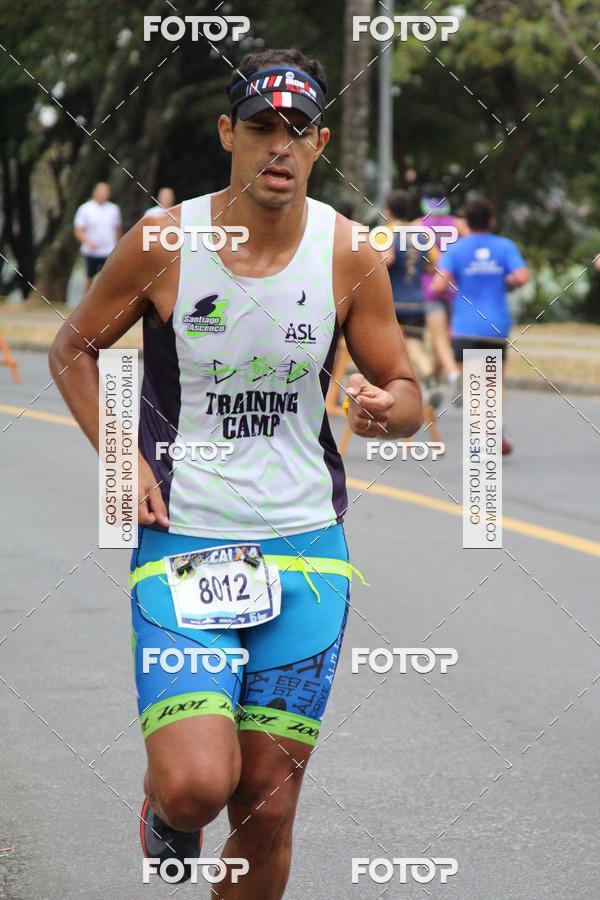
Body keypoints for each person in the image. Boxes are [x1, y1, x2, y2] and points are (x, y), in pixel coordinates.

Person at [49, 47, 423, 898]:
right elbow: (73, 348)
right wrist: (121, 455)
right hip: (187, 545)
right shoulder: (164, 244)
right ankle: (164, 809)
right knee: (196, 788)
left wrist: (382, 407)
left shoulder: (348, 253)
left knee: (267, 805)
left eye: (297, 131)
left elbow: (409, 395)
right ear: (229, 133)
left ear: (321, 143)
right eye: (261, 128)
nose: (278, 147)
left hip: (307, 556)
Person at [432, 195, 529, 455]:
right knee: (493, 382)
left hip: (465, 324)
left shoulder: (456, 249)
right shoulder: (505, 246)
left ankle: (480, 437)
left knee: (473, 381)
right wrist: (503, 282)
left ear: (466, 222)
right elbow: (521, 277)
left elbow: (439, 285)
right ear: (492, 220)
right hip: (496, 324)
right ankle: (496, 429)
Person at [377, 189, 442, 407]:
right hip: (417, 302)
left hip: (392, 302)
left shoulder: (386, 232)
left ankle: (388, 393)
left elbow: (386, 259)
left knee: (383, 349)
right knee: (414, 347)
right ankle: (429, 379)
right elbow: (435, 265)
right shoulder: (422, 235)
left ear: (388, 211)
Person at [419, 183, 468, 388]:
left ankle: (450, 373)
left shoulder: (418, 225)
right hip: (454, 288)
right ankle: (437, 382)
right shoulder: (459, 225)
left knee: (438, 338)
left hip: (430, 288)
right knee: (445, 338)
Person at [73, 182, 122, 292]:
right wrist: (88, 241)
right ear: (94, 192)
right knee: (89, 277)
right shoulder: (85, 209)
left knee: (110, 279)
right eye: (101, 191)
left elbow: (117, 229)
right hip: (92, 252)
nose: (103, 194)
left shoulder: (114, 209)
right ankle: (85, 304)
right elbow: (78, 230)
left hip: (109, 251)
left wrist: (118, 247)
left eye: (106, 191)